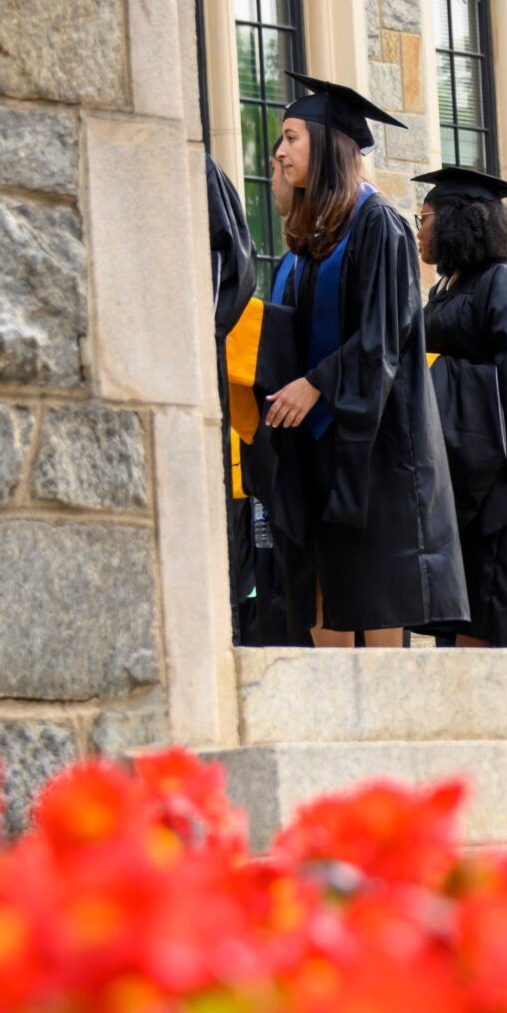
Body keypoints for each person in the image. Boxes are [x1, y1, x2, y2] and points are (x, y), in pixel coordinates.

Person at [249, 74, 466, 647]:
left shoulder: (380, 224)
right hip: (317, 444)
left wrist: (316, 385)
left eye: (292, 137)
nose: (279, 151)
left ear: (326, 145)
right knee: (319, 582)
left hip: (373, 445)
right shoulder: (311, 239)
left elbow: (385, 333)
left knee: (373, 587)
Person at [413, 167, 507, 647]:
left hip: (500, 478)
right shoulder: (447, 287)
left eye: (425, 217)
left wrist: (436, 376)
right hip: (460, 469)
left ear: (455, 220)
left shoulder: (500, 283)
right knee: (459, 609)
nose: (419, 231)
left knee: (495, 608)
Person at [206, 154, 301, 646]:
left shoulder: (367, 232)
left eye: (290, 142)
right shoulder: (293, 257)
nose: (277, 162)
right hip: (269, 443)